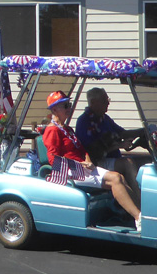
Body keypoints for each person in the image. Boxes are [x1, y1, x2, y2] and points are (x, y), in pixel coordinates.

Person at [42, 90, 141, 231]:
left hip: (84, 167)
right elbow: (54, 159)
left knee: (120, 177)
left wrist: (88, 161)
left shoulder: (67, 129)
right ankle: (138, 219)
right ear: (54, 110)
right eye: (65, 106)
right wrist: (79, 164)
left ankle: (139, 214)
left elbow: (82, 150)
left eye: (69, 105)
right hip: (71, 171)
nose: (69, 109)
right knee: (115, 178)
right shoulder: (52, 131)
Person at [75, 87, 149, 204]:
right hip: (94, 164)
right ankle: (140, 203)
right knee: (127, 163)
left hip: (111, 160)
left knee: (144, 164)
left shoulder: (105, 119)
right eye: (105, 100)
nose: (108, 103)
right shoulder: (84, 122)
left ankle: (142, 199)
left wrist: (143, 131)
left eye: (108, 99)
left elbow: (122, 133)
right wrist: (118, 145)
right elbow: (92, 151)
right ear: (94, 103)